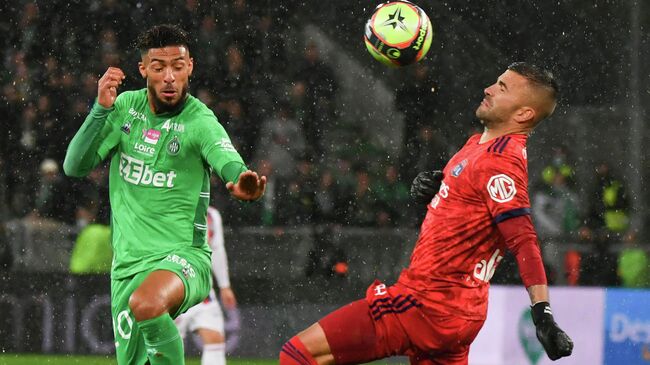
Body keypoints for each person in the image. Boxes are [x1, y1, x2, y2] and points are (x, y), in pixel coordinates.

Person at [279, 62, 573, 364]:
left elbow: (523, 241)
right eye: (495, 81)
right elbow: (470, 208)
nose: (488, 89)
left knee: (298, 354)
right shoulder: (478, 146)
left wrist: (542, 314)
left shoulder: (500, 163)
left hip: (427, 303)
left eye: (502, 88)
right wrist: (437, 189)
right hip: (458, 312)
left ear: (524, 114)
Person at [63, 24, 266, 365]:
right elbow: (74, 165)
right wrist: (100, 109)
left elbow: (226, 159)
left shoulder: (200, 120)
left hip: (183, 258)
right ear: (144, 70)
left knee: (147, 303)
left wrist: (241, 178)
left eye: (177, 66)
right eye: (159, 67)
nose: (169, 76)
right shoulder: (125, 108)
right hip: (127, 267)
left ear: (190, 67)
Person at [175, 206, 237, 365]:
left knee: (215, 338)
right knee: (171, 344)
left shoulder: (211, 215)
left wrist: (224, 285)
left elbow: (216, 249)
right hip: (175, 288)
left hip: (204, 291)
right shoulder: (170, 207)